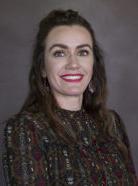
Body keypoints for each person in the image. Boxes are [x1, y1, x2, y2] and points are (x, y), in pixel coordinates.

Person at [2, 9, 137, 185]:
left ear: (93, 64)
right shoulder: (26, 128)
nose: (73, 64)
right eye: (60, 53)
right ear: (42, 67)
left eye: (82, 52)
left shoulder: (112, 123)